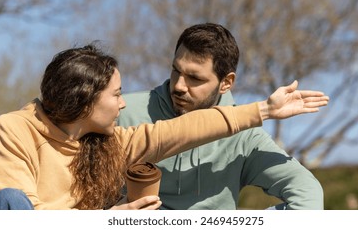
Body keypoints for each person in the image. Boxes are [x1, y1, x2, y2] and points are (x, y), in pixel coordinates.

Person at [0, 43, 328, 210]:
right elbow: (31, 220)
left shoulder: (107, 142)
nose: (123, 104)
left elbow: (179, 131)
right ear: (86, 100)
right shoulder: (14, 129)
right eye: (117, 94)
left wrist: (264, 110)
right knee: (10, 202)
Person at [119, 23, 326, 210]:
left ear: (226, 82)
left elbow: (307, 192)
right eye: (176, 71)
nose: (179, 86)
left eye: (194, 78)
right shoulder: (124, 114)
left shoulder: (244, 137)